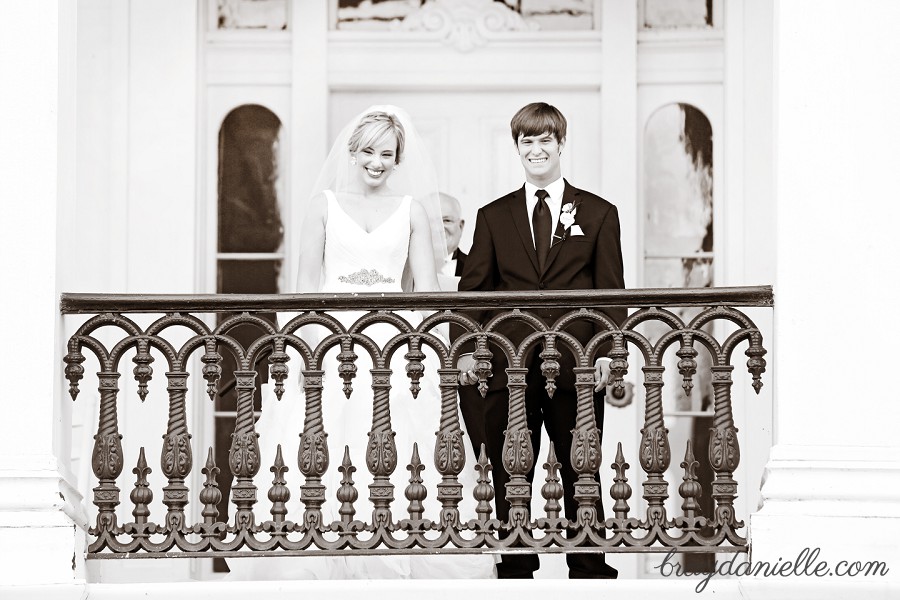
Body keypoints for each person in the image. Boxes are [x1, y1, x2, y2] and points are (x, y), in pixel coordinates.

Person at [227, 107, 496, 580]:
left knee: (403, 446)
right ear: (353, 151)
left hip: (392, 343)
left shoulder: (411, 208)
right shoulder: (324, 206)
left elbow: (427, 290)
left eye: (387, 153)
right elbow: (306, 286)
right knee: (320, 440)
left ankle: (395, 556)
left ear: (398, 158)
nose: (377, 161)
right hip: (329, 344)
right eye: (369, 150)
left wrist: (433, 355)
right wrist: (299, 350)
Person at [457, 102, 626, 579]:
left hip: (578, 363)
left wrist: (612, 352)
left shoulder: (597, 212)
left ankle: (589, 564)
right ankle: (515, 565)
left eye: (544, 139)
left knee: (582, 468)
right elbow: (474, 292)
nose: (535, 149)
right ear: (517, 148)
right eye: (526, 141)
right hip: (510, 367)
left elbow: (611, 289)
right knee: (514, 469)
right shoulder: (493, 216)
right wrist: (469, 349)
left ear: (560, 143)